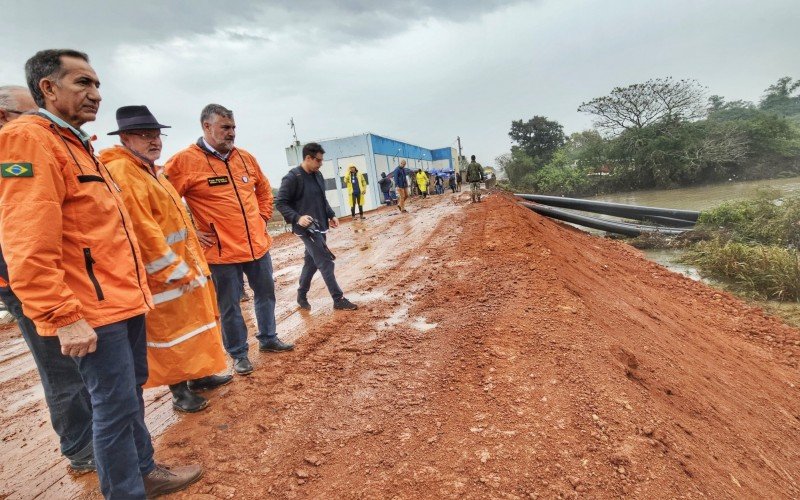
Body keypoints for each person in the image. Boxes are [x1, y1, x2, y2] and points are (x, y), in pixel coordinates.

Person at [0, 49, 201, 499]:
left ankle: (144, 471)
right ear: (47, 89)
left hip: (121, 300)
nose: (95, 93)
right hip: (91, 308)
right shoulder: (29, 140)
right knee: (110, 407)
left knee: (126, 396)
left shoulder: (76, 143)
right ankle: (125, 491)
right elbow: (27, 240)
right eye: (82, 83)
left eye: (96, 84)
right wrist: (61, 314)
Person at [100, 106, 231, 413]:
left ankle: (199, 373)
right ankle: (179, 390)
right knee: (171, 333)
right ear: (126, 138)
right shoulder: (125, 172)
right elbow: (144, 231)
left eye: (157, 135)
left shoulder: (150, 169)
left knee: (194, 324)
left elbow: (174, 220)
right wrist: (171, 269)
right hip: (163, 275)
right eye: (146, 136)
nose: (155, 141)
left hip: (183, 265)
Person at [0, 85, 95, 473]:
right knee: (61, 368)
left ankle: (91, 437)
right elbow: (21, 237)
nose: (39, 124)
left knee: (77, 365)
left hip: (52, 279)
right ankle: (80, 446)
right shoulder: (13, 155)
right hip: (26, 286)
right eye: (29, 115)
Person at [165, 104, 293, 377]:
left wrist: (262, 218)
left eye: (233, 127)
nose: (231, 133)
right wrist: (190, 231)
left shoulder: (245, 158)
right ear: (206, 127)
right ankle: (238, 353)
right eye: (225, 127)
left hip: (257, 246)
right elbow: (165, 203)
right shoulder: (184, 162)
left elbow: (264, 191)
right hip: (220, 253)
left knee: (266, 294)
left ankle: (269, 338)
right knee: (230, 305)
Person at [275, 142, 358, 312]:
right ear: (308, 158)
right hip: (306, 230)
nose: (321, 163)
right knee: (326, 261)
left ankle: (301, 294)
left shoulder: (317, 175)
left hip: (320, 225)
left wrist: (330, 214)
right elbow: (281, 203)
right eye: (318, 160)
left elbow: (322, 199)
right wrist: (297, 218)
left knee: (311, 263)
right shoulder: (292, 178)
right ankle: (338, 299)